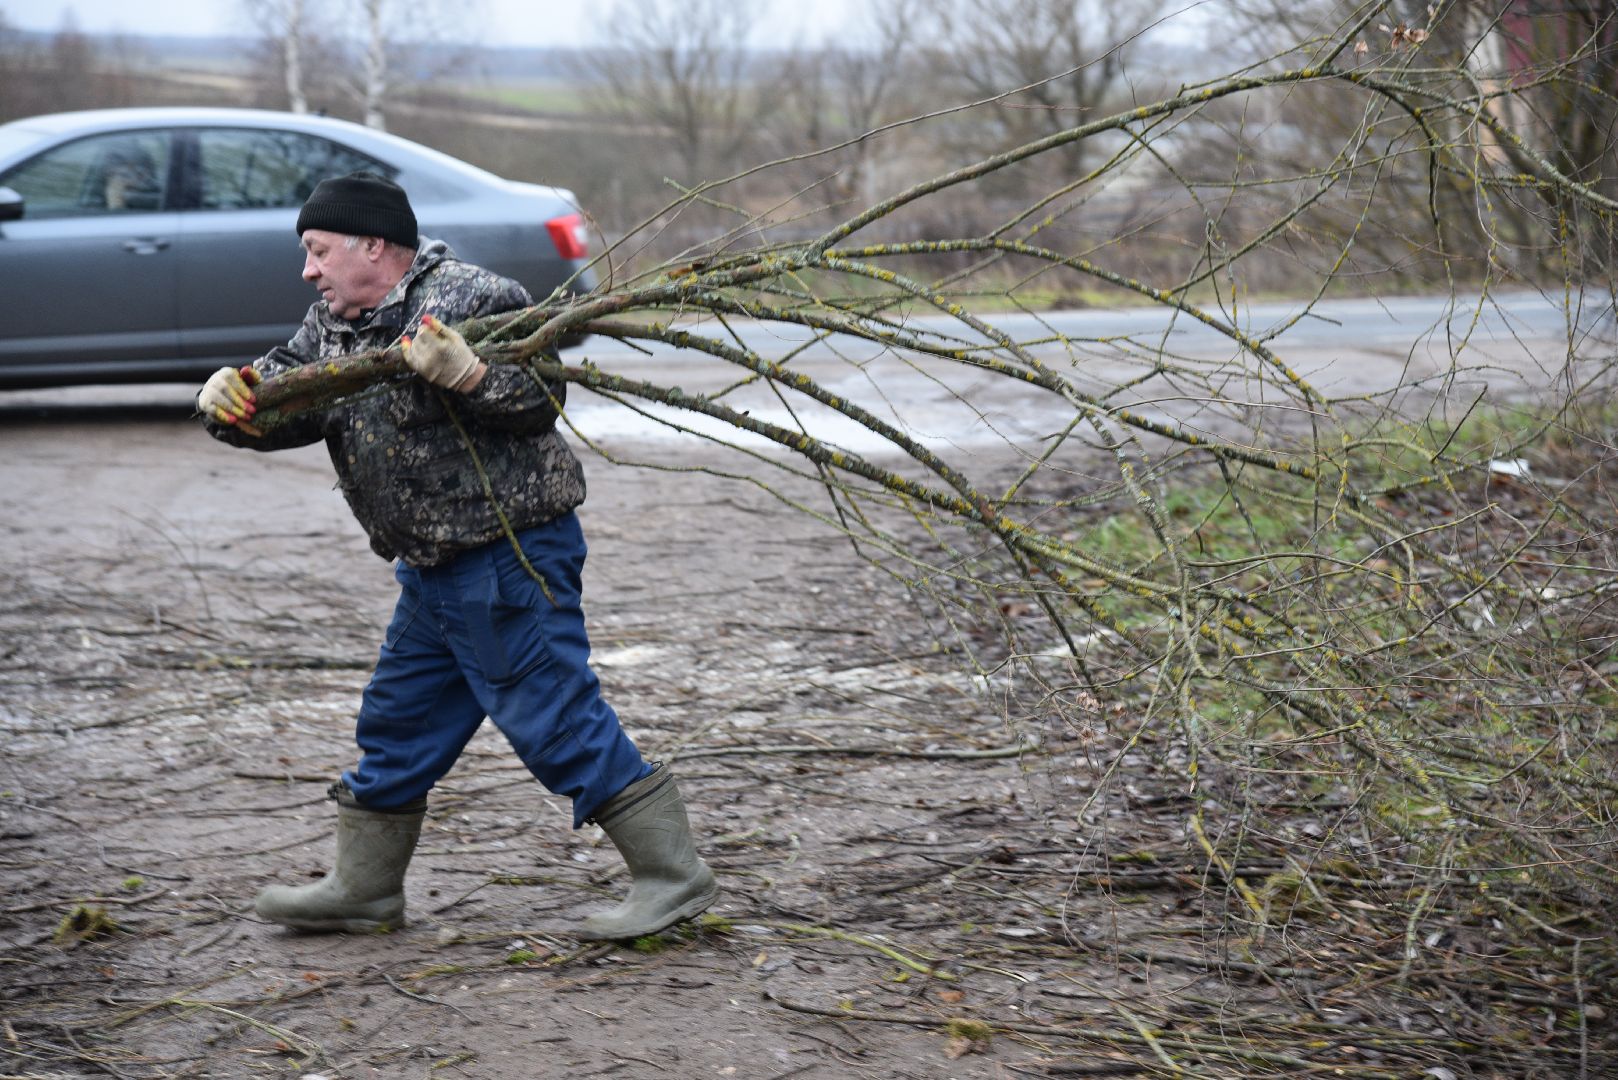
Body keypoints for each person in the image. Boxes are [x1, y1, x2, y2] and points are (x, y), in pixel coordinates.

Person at [197, 171, 717, 940]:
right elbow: (287, 395)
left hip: (506, 551)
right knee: (400, 720)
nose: (308, 270)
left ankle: (673, 877)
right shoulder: (334, 322)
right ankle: (365, 889)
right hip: (431, 568)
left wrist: (472, 374)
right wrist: (234, 406)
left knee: (552, 715)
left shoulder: (476, 297)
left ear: (374, 246)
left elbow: (542, 397)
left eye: (318, 250)